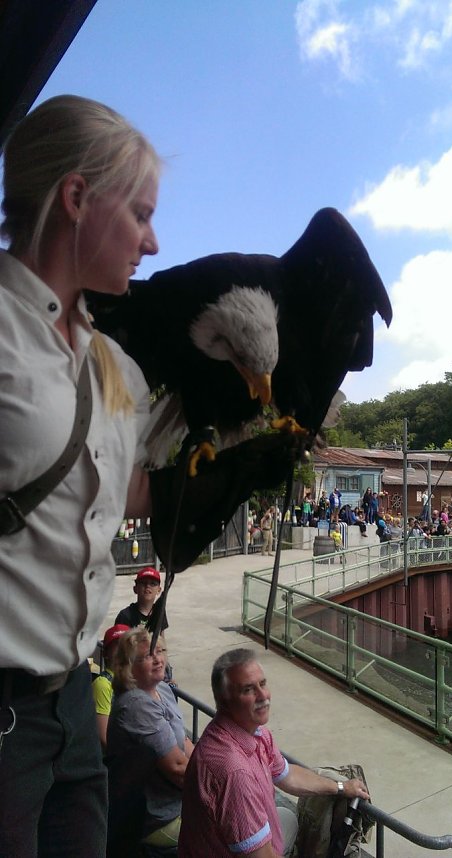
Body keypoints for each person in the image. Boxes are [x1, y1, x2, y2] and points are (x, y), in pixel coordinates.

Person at [0, 94, 160, 858]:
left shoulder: (115, 366)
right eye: (140, 213)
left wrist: (252, 447)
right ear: (75, 197)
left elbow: (131, 495)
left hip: (71, 700)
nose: (152, 241)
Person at [178, 648, 368, 857]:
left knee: (287, 818)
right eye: (248, 689)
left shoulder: (254, 732)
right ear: (224, 701)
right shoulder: (234, 772)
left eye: (263, 684)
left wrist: (340, 787)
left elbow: (288, 776)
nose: (263, 696)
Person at [107, 627, 194, 851]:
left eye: (160, 651)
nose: (158, 659)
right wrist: (222, 788)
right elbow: (177, 769)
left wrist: (216, 768)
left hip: (182, 805)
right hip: (159, 819)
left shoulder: (162, 689)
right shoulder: (136, 704)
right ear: (128, 666)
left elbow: (185, 743)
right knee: (233, 834)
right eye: (147, 656)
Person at [92, 624, 130, 752]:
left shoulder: (137, 678)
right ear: (106, 653)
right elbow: (104, 738)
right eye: (117, 646)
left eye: (127, 645)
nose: (123, 651)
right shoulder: (103, 683)